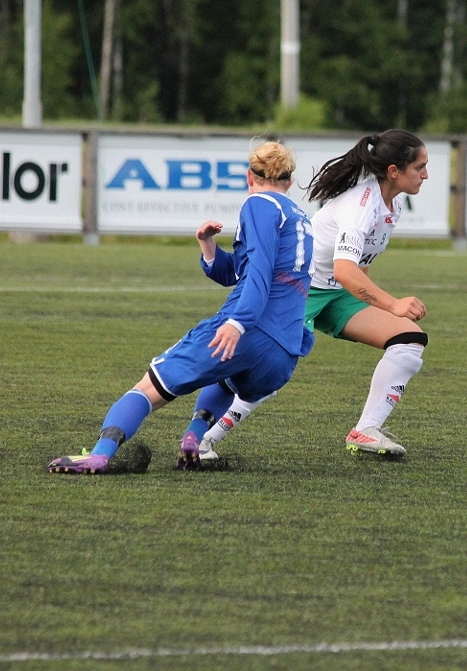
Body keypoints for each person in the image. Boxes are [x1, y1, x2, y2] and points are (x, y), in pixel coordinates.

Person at [47, 140, 314, 473]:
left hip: (251, 330)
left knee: (149, 387)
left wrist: (238, 323)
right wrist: (207, 245)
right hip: (283, 353)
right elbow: (241, 272)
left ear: (250, 176)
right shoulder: (300, 218)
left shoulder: (259, 204)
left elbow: (259, 273)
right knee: (225, 379)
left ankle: (99, 455)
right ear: (289, 181)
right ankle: (193, 439)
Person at [177, 129, 429, 461]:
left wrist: (378, 305)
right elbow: (345, 270)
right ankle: (202, 440)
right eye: (420, 167)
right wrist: (393, 304)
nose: (426, 174)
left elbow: (358, 265)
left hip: (338, 293)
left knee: (409, 339)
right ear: (394, 171)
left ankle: (366, 430)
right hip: (301, 289)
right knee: (269, 368)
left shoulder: (392, 204)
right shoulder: (362, 206)